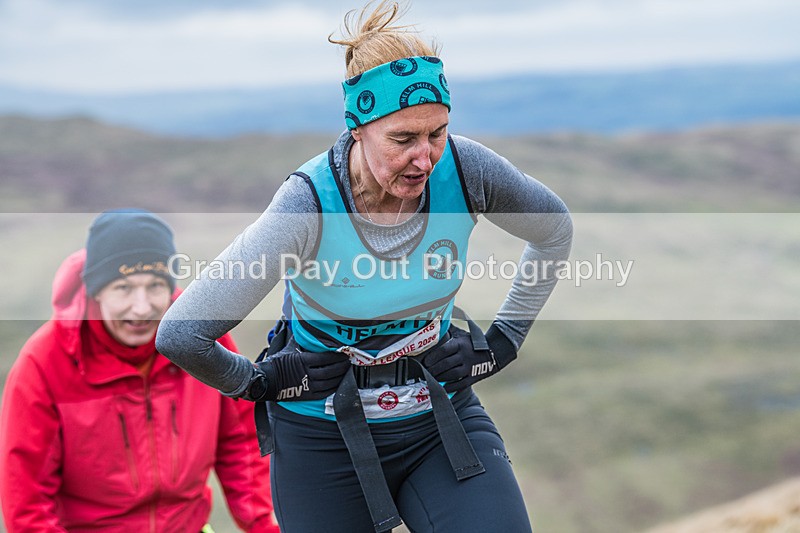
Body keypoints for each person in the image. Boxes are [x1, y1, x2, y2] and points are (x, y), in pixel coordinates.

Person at [156, 1, 573, 532]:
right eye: (403, 139)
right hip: (321, 438)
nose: (425, 157)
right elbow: (181, 335)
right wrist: (258, 381)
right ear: (357, 128)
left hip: (438, 421)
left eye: (437, 132)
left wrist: (504, 341)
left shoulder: (466, 169)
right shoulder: (307, 207)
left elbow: (553, 230)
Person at [0, 209, 280, 533]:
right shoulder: (43, 364)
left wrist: (265, 525)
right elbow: (28, 505)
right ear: (95, 290)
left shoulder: (200, 341)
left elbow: (242, 441)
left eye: (155, 285)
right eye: (123, 288)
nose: (142, 307)